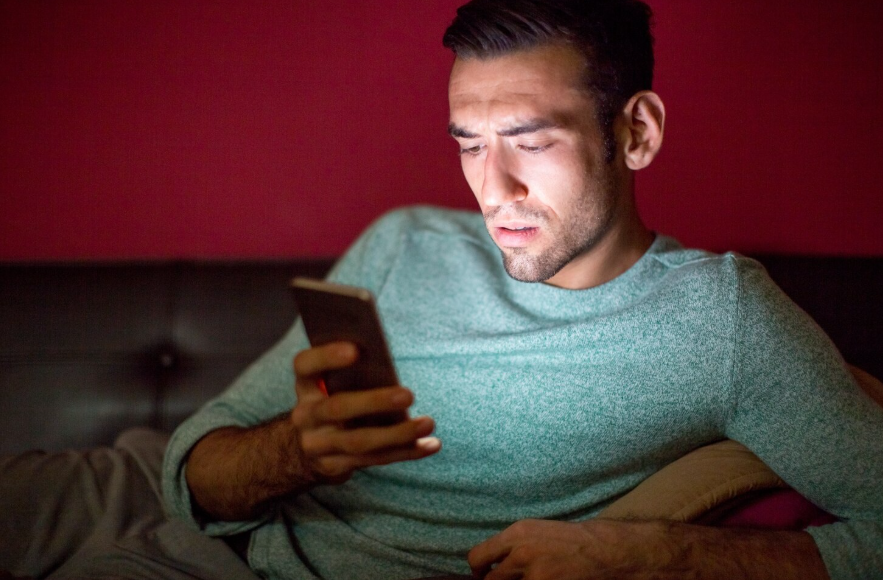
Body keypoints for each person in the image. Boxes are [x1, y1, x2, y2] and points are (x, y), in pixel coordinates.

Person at [161, 1, 883, 579]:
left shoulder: (721, 319)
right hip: (210, 550)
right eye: (469, 144)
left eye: (531, 142)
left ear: (636, 132)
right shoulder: (403, 242)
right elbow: (193, 469)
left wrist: (660, 555)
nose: (493, 190)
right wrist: (295, 451)